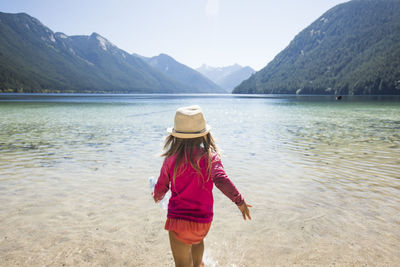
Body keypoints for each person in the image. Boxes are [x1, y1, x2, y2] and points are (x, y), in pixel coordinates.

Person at [152, 105, 252, 267]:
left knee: (182, 263)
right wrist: (239, 201)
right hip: (203, 222)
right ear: (204, 134)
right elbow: (220, 179)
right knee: (197, 242)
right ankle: (198, 264)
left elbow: (161, 186)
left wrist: (157, 196)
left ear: (175, 136)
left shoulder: (171, 159)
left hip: (179, 222)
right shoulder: (210, 157)